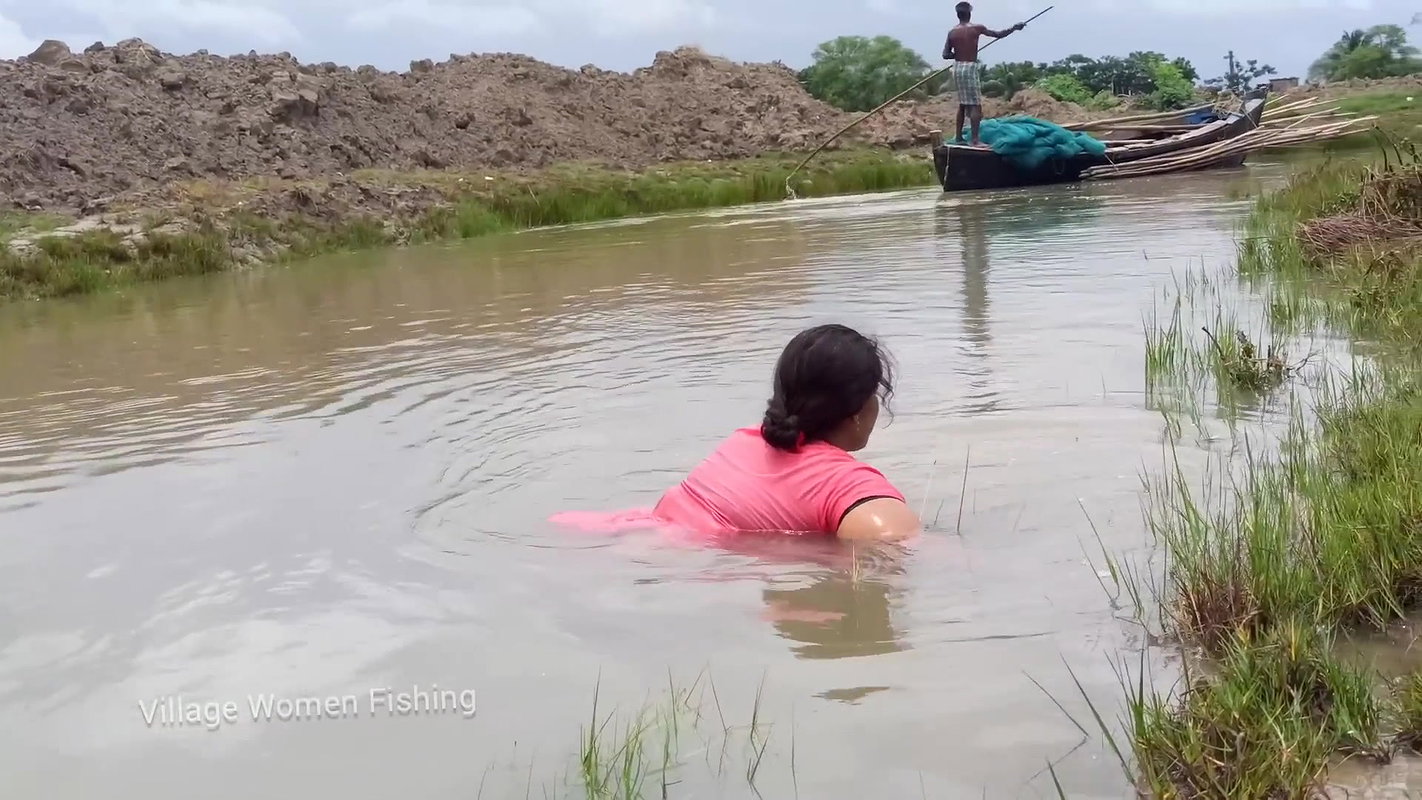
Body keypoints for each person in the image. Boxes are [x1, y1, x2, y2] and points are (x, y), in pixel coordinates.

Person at [652, 324, 921, 540]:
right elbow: (893, 542)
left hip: (640, 538)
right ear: (858, 410)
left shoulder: (742, 443)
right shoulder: (851, 489)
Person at [942, 2, 1025, 148]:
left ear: (958, 14)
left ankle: (959, 137)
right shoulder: (976, 28)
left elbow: (945, 54)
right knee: (975, 105)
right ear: (969, 13)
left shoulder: (952, 32)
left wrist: (958, 53)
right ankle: (975, 140)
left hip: (957, 68)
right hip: (969, 67)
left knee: (962, 104)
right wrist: (1014, 28)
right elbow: (999, 35)